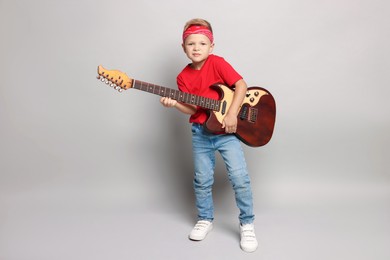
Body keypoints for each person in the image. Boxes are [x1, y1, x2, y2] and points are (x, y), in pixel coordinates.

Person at [160, 18, 258, 253]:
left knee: (240, 178)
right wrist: (174, 104)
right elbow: (193, 108)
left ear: (211, 46)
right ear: (183, 48)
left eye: (202, 43)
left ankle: (247, 224)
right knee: (202, 180)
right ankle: (205, 219)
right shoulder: (183, 77)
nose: (196, 48)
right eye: (191, 44)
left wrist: (233, 114)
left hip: (227, 131)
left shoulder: (217, 63)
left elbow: (241, 85)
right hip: (200, 133)